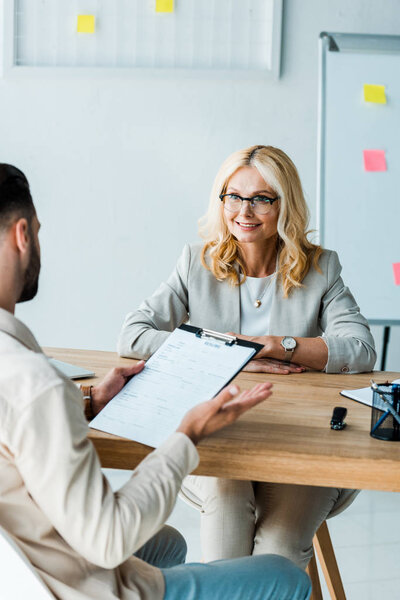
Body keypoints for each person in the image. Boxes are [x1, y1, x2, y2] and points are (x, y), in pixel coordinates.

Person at [0, 163, 311, 600]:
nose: (246, 210)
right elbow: (108, 539)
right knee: (285, 575)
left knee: (170, 544)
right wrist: (187, 433)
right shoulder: (37, 385)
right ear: (21, 236)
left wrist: (88, 400)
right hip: (74, 586)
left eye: (261, 198)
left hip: (15, 566)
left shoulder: (30, 382)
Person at [118, 145, 376, 569]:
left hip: (300, 443)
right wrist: (227, 352)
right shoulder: (195, 264)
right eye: (233, 196)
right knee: (226, 510)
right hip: (217, 438)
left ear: (284, 203)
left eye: (261, 198)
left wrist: (274, 345)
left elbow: (361, 349)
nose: (244, 211)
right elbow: (133, 335)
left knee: (277, 547)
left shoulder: (320, 267)